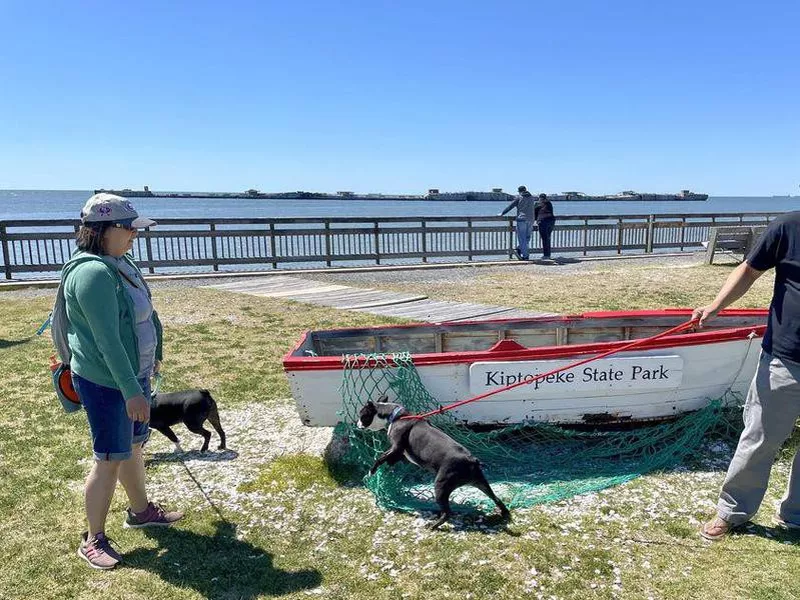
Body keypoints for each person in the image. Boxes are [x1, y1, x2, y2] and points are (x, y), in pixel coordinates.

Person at [57, 193, 183, 569]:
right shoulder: (92, 273)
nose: (134, 235)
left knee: (133, 446)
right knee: (109, 458)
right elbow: (106, 341)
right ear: (101, 230)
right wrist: (131, 391)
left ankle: (140, 511)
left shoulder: (119, 262)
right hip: (107, 382)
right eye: (127, 228)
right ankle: (93, 538)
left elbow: (144, 312)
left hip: (134, 374)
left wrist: (153, 354)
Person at [694, 212, 800, 541]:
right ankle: (732, 511)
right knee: (760, 438)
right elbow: (749, 270)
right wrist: (715, 307)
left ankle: (795, 514)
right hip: (786, 357)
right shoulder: (788, 227)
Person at [499, 185, 536, 260]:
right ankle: (520, 249)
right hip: (531, 219)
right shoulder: (532, 198)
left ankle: (525, 256)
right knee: (527, 237)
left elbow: (510, 207)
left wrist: (502, 213)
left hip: (521, 219)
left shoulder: (519, 198)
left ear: (520, 191)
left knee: (522, 238)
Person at [534, 193, 556, 260]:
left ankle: (546, 255)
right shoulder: (549, 203)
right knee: (548, 238)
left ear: (539, 198)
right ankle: (548, 254)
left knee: (544, 238)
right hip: (551, 220)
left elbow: (534, 214)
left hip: (543, 221)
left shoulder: (537, 205)